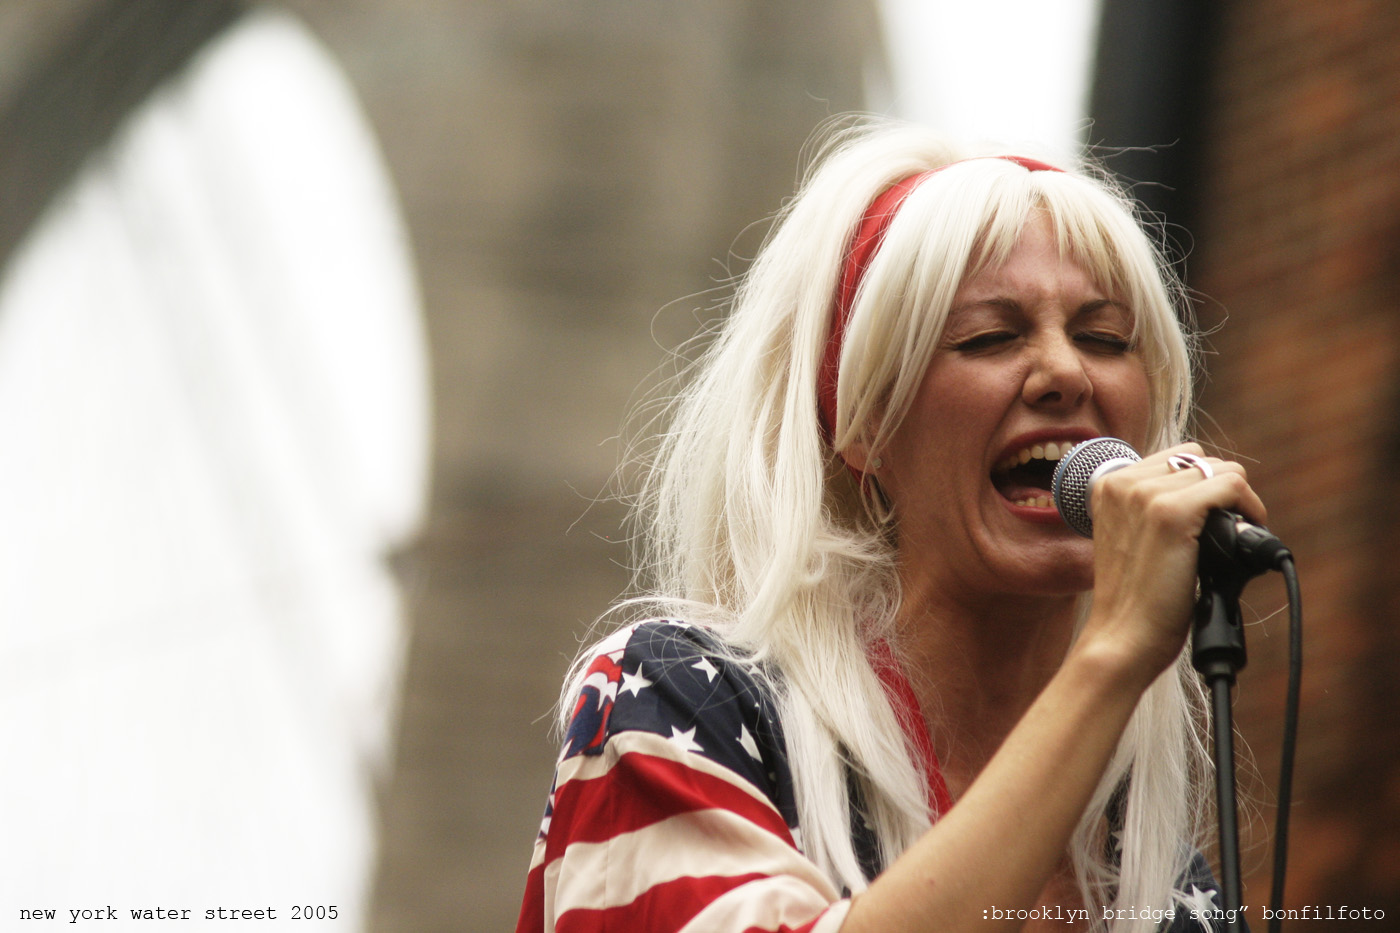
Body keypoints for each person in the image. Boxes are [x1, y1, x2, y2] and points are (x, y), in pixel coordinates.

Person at [515, 117, 1266, 933]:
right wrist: (1114, 652)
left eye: (1104, 337)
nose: (1064, 371)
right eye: (990, 336)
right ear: (867, 425)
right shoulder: (680, 708)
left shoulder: (1162, 887)